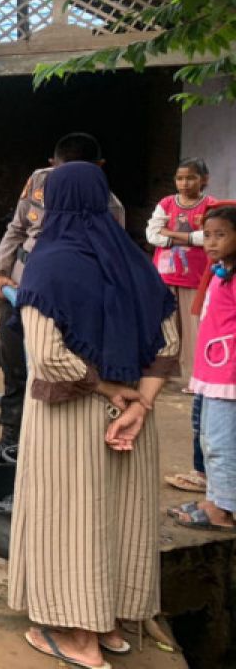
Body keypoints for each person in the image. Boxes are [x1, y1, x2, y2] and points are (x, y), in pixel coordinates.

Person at [8, 162, 178, 669]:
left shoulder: (47, 264)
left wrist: (106, 387)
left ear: (55, 202)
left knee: (69, 519)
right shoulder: (135, 262)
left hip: (71, 419)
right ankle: (110, 626)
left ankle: (77, 638)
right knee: (117, 517)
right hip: (131, 422)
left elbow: (48, 356)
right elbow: (168, 343)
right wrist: (139, 403)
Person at [0, 132, 125, 460]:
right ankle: (10, 437)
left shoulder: (109, 206)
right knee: (15, 362)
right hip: (20, 292)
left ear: (99, 168)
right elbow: (16, 229)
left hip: (67, 303)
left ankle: (48, 448)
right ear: (51, 166)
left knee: (56, 369)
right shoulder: (37, 184)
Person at [146, 158, 215, 494]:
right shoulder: (166, 204)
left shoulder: (212, 206)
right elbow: (151, 234)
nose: (184, 183)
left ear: (204, 180)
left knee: (195, 329)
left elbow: (208, 238)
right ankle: (164, 372)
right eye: (180, 177)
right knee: (164, 330)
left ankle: (193, 377)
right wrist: (185, 237)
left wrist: (173, 235)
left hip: (196, 276)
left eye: (191, 178)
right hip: (165, 273)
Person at [167, 206, 236, 532]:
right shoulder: (222, 273)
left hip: (229, 377)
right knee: (209, 440)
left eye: (220, 235)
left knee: (222, 445)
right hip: (212, 373)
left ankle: (222, 510)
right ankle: (215, 498)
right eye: (207, 235)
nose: (211, 242)